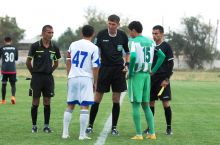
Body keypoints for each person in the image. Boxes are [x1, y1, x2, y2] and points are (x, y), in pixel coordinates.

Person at [86, 14, 130, 136]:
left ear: (118, 25)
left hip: (118, 70)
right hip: (104, 69)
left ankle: (114, 128)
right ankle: (90, 126)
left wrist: (127, 65)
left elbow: (127, 52)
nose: (110, 26)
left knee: (116, 99)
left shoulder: (122, 36)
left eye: (113, 24)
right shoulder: (101, 35)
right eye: (109, 23)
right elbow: (95, 51)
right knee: (97, 98)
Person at [127, 21, 165, 140]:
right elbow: (162, 56)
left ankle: (139, 134)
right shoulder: (150, 41)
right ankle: (152, 133)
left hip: (137, 75)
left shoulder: (132, 41)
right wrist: (153, 70)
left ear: (133, 30)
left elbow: (132, 56)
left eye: (130, 31)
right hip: (146, 76)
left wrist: (131, 71)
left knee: (135, 105)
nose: (130, 33)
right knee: (146, 105)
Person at [62, 25, 100, 140]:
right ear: (93, 34)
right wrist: (94, 81)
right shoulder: (94, 47)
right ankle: (82, 135)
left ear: (81, 33)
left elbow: (68, 61)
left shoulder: (73, 44)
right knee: (84, 106)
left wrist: (69, 75)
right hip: (86, 78)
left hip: (73, 77)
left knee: (70, 105)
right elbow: (96, 66)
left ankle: (65, 133)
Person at [26, 25, 61, 133]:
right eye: (49, 32)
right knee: (35, 101)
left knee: (47, 101)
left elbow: (56, 63)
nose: (51, 34)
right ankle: (34, 126)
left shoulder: (54, 47)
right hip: (36, 78)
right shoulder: (35, 46)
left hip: (48, 78)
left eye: (52, 33)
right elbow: (28, 62)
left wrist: (49, 71)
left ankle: (46, 126)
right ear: (43, 33)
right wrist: (34, 73)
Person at [143, 25, 174, 135]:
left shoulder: (166, 47)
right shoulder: (151, 46)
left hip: (162, 79)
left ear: (161, 34)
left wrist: (166, 79)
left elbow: (171, 64)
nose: (154, 35)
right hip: (151, 79)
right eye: (153, 33)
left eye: (156, 33)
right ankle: (150, 127)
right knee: (150, 103)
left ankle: (169, 128)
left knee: (165, 103)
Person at [0, 36, 18, 104]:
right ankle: (13, 97)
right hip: (12, 70)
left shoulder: (2, 48)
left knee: (4, 84)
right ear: (11, 41)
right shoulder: (15, 48)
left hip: (4, 70)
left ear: (5, 41)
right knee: (13, 85)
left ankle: (3, 100)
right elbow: (16, 58)